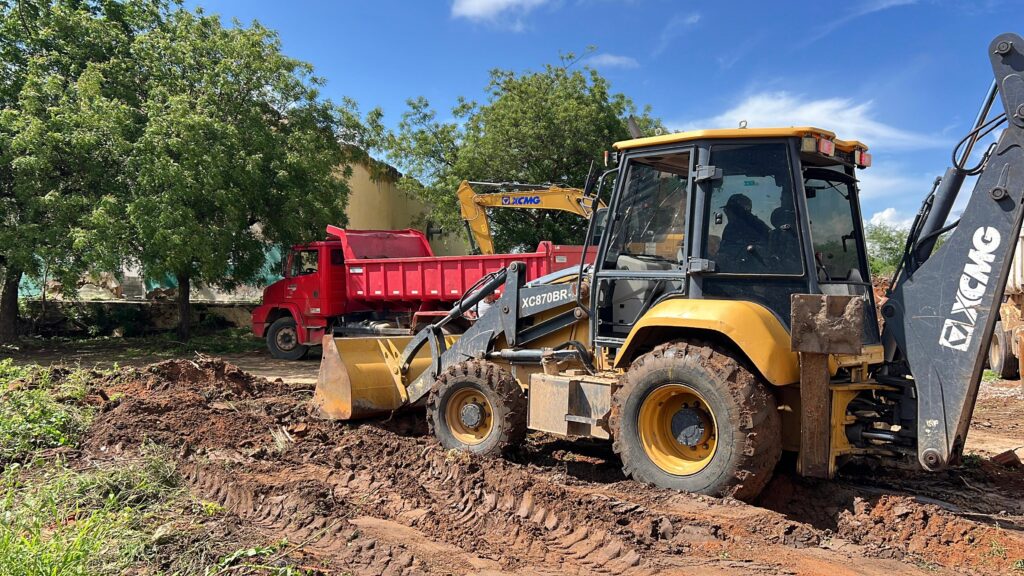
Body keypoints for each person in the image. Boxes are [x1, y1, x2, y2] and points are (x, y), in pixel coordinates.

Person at [718, 193, 770, 271]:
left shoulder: (755, 227)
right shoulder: (731, 227)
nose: (726, 213)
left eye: (729, 210)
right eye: (726, 210)